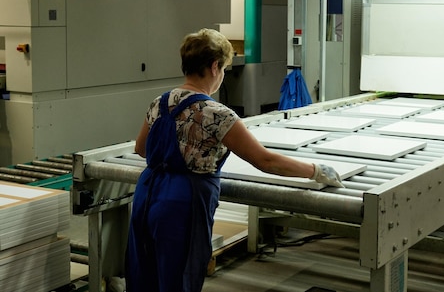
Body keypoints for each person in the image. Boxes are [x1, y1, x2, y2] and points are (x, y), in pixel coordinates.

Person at [125, 28, 344, 292]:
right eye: (225, 69)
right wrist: (314, 170)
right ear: (215, 66)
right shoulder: (216, 113)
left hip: (147, 194)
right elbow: (265, 160)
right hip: (182, 204)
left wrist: (177, 153)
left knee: (145, 275)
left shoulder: (159, 102)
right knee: (179, 278)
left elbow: (141, 148)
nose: (223, 75)